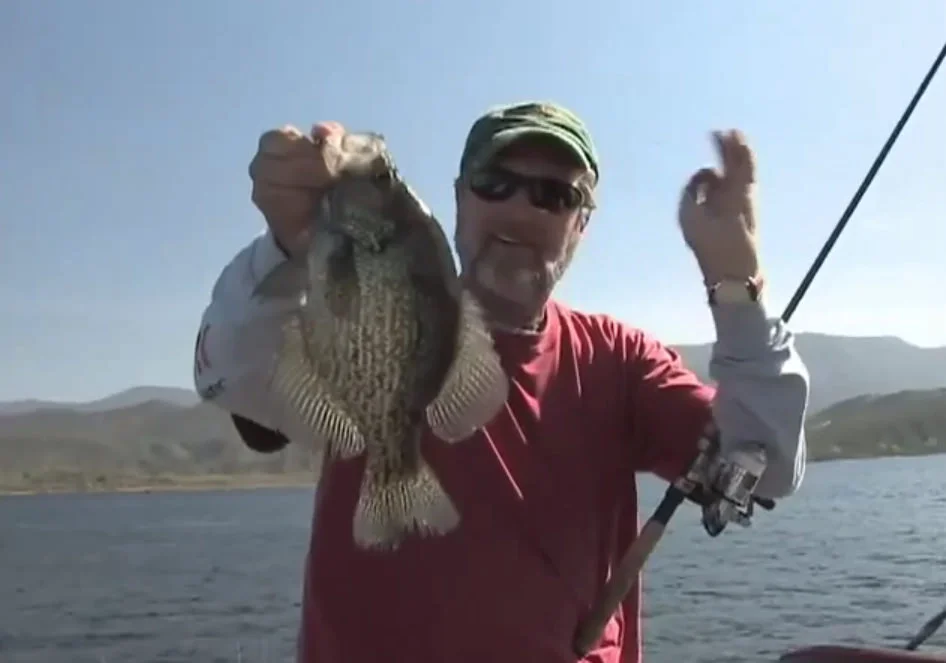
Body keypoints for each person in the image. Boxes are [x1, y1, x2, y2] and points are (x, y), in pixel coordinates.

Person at [193, 101, 810, 663]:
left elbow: (769, 467)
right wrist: (285, 245)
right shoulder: (357, 308)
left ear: (581, 225)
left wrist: (737, 285)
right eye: (496, 184)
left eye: (553, 195)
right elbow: (234, 374)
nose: (520, 208)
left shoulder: (620, 360)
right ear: (461, 199)